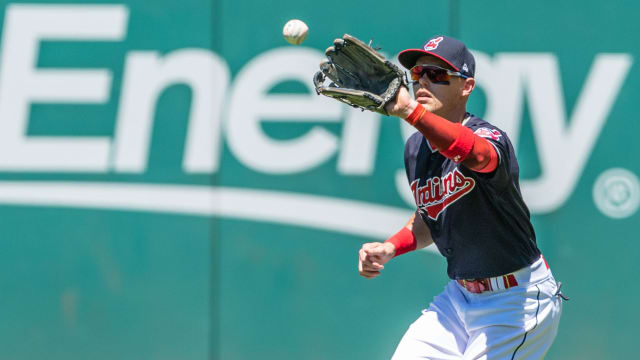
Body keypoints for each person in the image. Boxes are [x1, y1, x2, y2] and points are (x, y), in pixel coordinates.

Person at [357, 35, 565, 359]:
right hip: (459, 299)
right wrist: (390, 247)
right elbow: (430, 217)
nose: (423, 81)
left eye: (437, 74)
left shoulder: (489, 137)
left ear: (466, 87)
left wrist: (410, 112)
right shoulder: (415, 149)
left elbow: (477, 155)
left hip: (516, 301)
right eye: (417, 74)